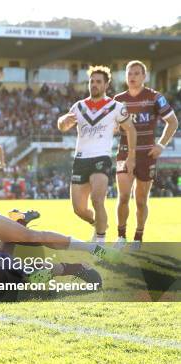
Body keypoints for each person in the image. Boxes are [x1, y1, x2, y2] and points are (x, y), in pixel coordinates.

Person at [57, 65, 137, 242]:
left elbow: (131, 129)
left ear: (106, 85)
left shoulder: (116, 107)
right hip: (80, 160)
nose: (94, 84)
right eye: (92, 81)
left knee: (97, 199)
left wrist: (131, 156)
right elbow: (63, 125)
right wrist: (63, 121)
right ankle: (99, 223)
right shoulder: (79, 106)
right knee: (79, 209)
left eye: (98, 82)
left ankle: (99, 243)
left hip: (101, 158)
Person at [114, 60, 178, 247]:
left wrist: (161, 145)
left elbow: (173, 122)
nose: (132, 76)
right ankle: (120, 236)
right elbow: (113, 127)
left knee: (141, 200)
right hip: (124, 154)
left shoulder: (155, 97)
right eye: (129, 73)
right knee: (123, 197)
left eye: (136, 73)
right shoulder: (117, 100)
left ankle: (138, 237)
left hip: (146, 156)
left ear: (144, 76)